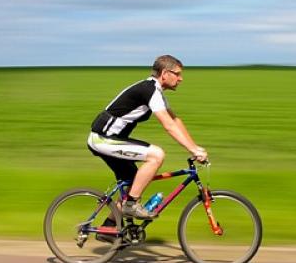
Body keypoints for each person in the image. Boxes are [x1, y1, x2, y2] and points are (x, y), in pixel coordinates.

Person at [87, 54, 208, 221]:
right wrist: (192, 149)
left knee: (134, 184)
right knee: (156, 155)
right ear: (165, 73)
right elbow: (168, 126)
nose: (181, 79)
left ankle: (109, 227)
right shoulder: (150, 90)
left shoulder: (155, 91)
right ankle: (131, 205)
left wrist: (195, 147)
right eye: (177, 74)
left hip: (110, 139)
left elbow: (175, 120)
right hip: (102, 139)